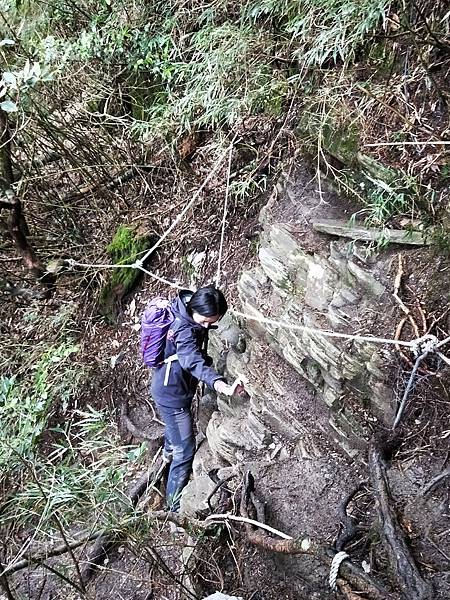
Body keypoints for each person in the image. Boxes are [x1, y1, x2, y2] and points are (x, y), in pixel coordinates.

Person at [151, 285, 242, 511]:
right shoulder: (183, 328)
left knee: (176, 441)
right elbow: (191, 360)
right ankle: (173, 508)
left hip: (170, 387)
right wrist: (220, 384)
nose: (207, 326)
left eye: (211, 322)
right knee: (185, 450)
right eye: (204, 321)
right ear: (194, 309)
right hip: (172, 397)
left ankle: (167, 454)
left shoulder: (188, 305)